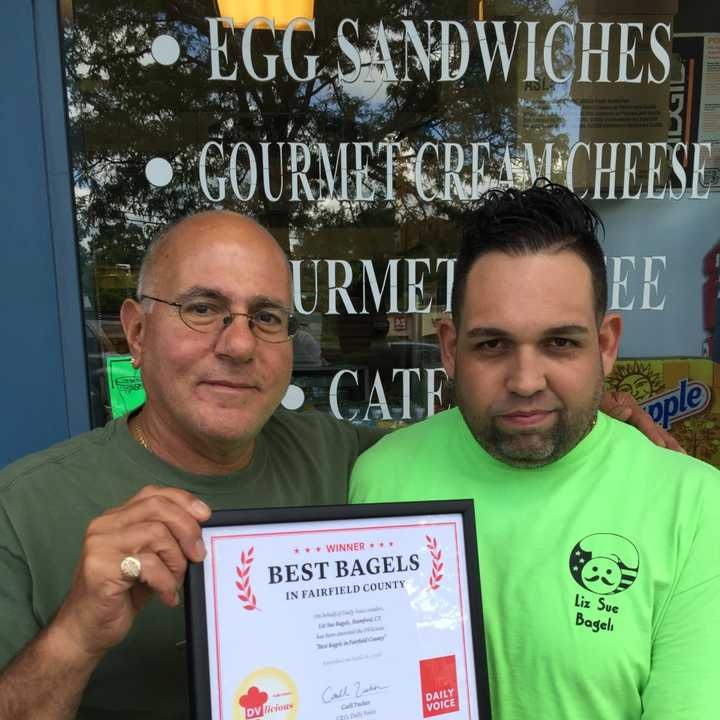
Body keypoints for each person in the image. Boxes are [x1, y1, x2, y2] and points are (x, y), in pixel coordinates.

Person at [0, 208, 680, 720]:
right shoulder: (25, 509)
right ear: (138, 331)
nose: (238, 345)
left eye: (267, 318)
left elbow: (470, 444)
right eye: (203, 308)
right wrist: (76, 634)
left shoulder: (345, 457)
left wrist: (618, 448)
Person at [350, 181, 720, 719]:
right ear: (451, 349)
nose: (525, 380)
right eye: (493, 344)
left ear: (606, 344)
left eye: (560, 343)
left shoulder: (695, 508)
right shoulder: (378, 477)